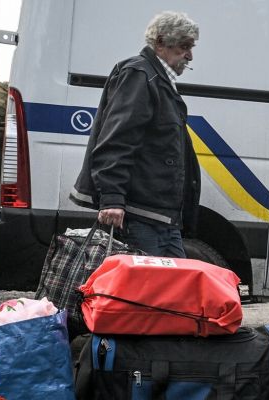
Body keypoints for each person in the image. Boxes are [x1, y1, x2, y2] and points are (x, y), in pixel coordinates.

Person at [70, 11, 200, 257]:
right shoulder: (140, 74)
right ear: (161, 42)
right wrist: (112, 199)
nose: (190, 55)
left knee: (171, 291)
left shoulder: (155, 77)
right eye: (184, 46)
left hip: (160, 217)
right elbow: (117, 140)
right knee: (147, 292)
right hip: (140, 215)